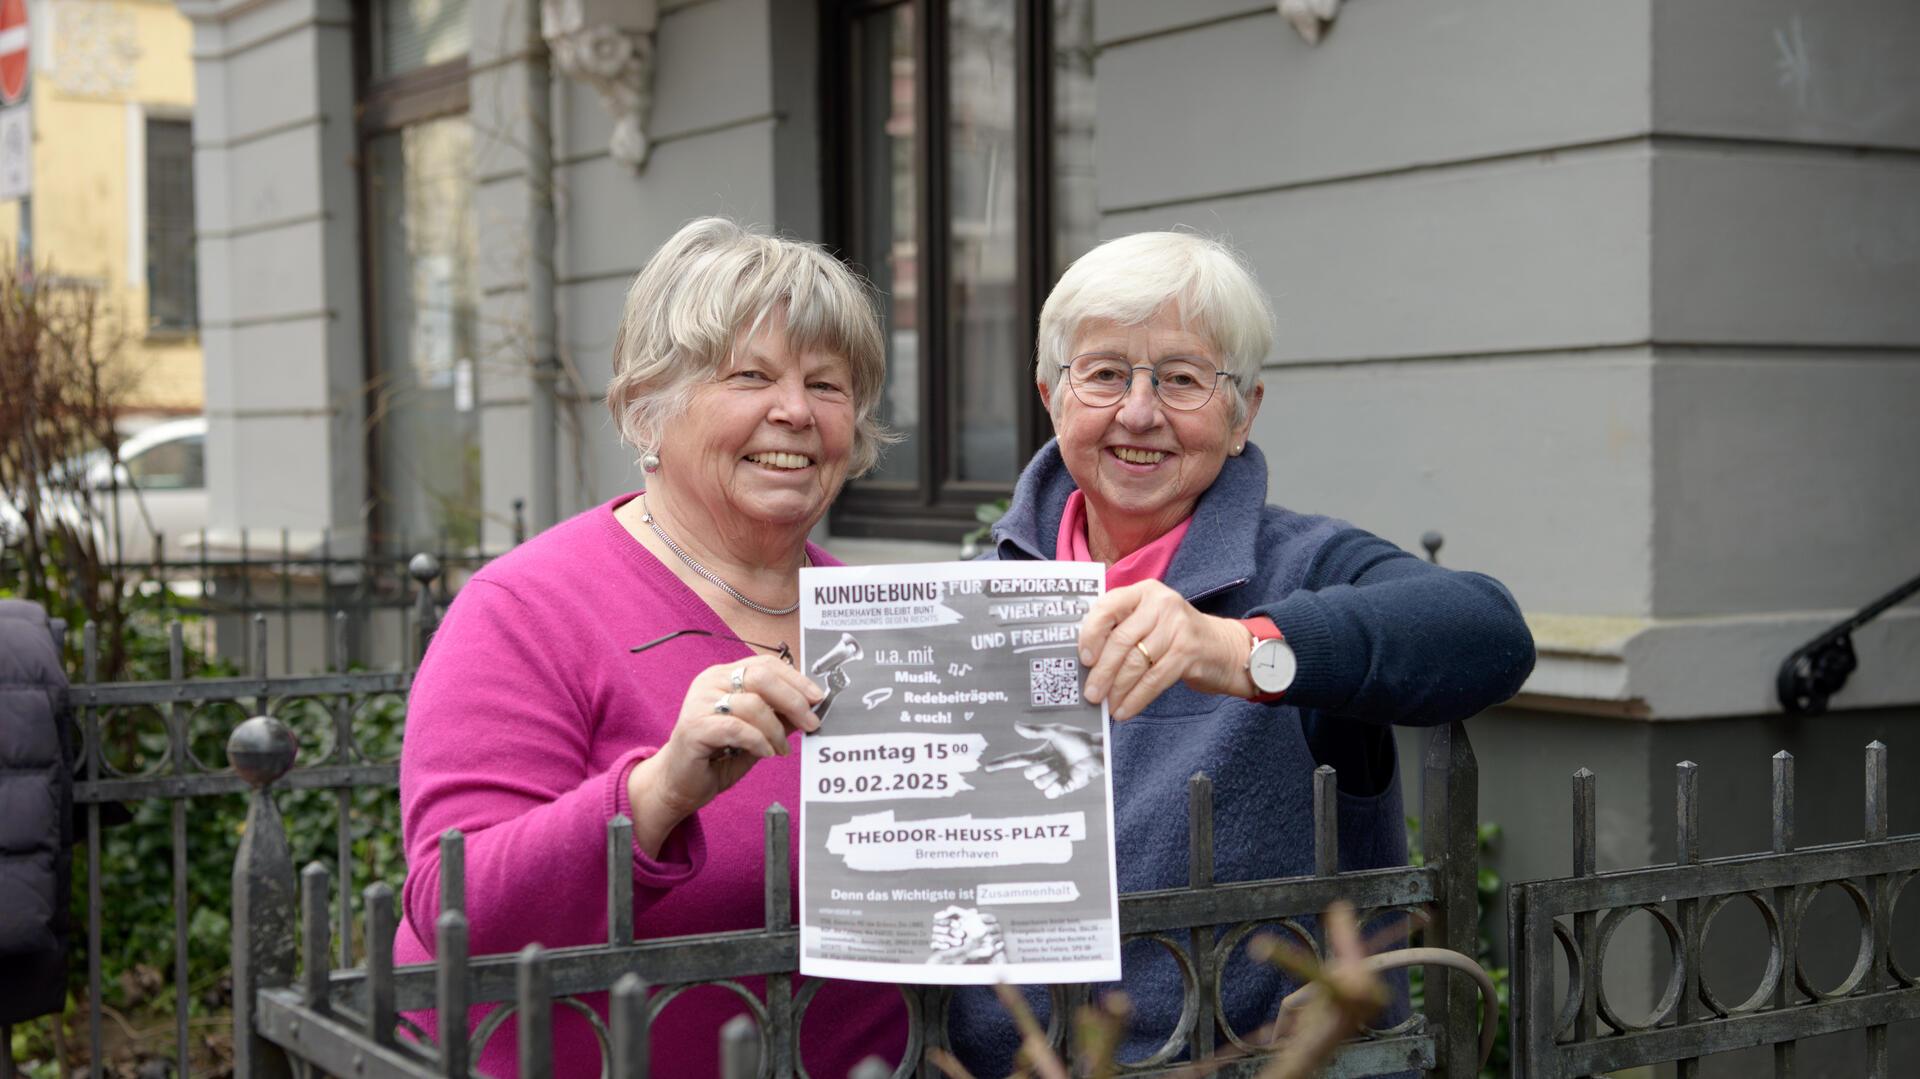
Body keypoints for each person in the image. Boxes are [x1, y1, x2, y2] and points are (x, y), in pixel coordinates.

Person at [951, 231, 1536, 1072]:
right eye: (1106, 372)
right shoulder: (966, 597)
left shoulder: (1303, 564)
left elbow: (1488, 631)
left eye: (1183, 379)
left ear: (1242, 412)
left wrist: (1236, 648)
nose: (1139, 411)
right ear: (1052, 393)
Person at [395, 218, 906, 1077]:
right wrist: (658, 790)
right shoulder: (528, 607)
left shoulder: (885, 620)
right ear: (646, 410)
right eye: (750, 375)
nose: (796, 410)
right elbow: (453, 906)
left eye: (827, 383)